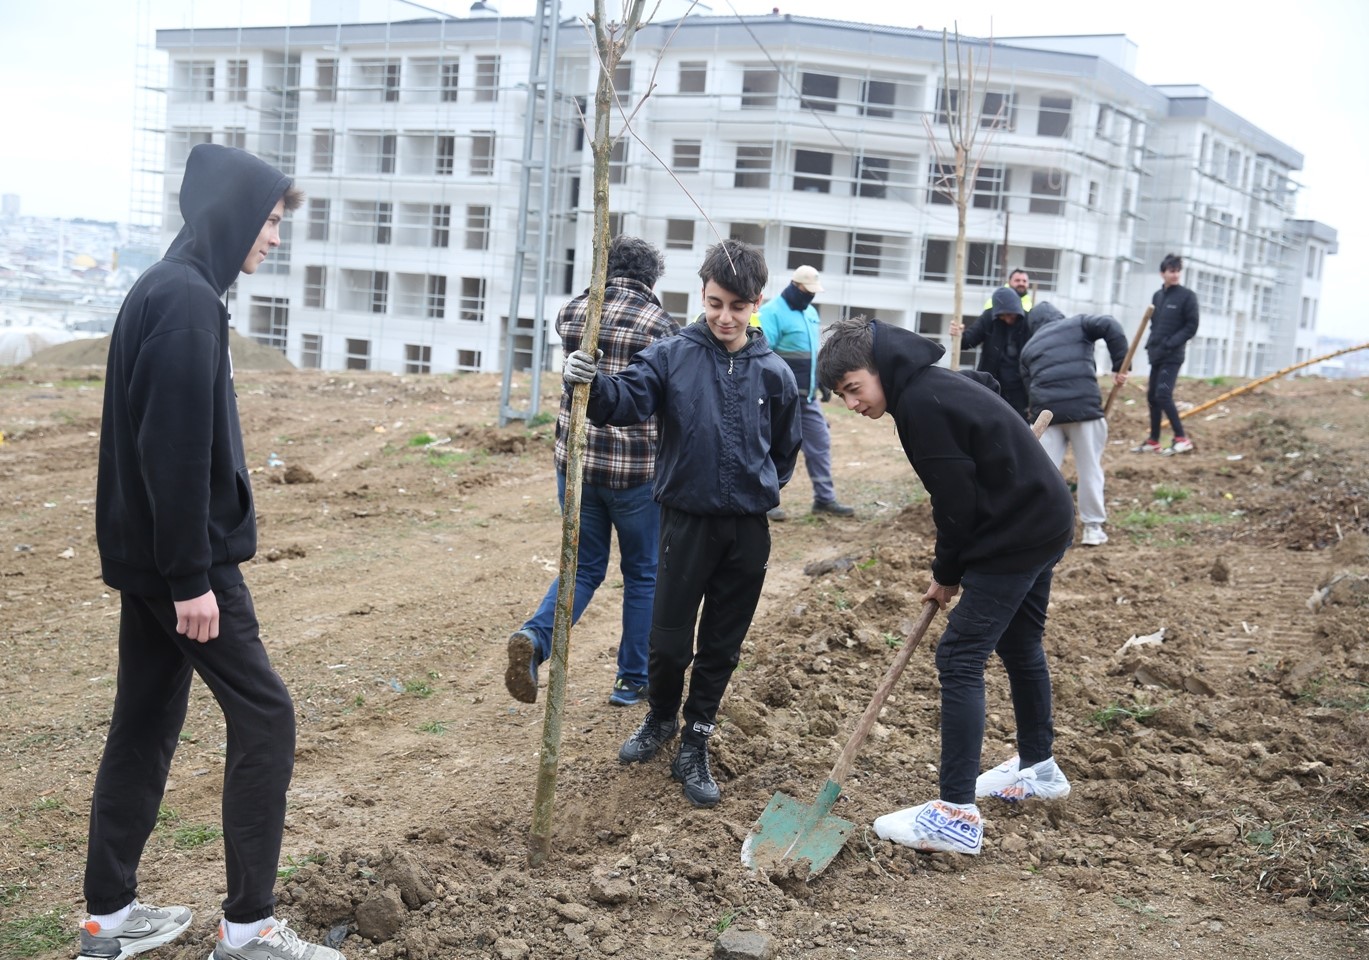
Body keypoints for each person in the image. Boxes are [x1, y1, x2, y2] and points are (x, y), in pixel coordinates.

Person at [81, 144, 342, 960]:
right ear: (230, 214)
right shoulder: (188, 303)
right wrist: (192, 578)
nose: (272, 238)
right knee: (266, 717)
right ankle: (249, 930)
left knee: (146, 723)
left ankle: (108, 922)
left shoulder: (164, 288)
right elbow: (172, 452)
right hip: (182, 569)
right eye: (266, 221)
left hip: (149, 561)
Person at [816, 315, 1075, 855]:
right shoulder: (937, 383)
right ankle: (1040, 769)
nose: (853, 405)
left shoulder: (920, 409)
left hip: (1016, 535)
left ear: (880, 369)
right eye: (842, 396)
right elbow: (990, 387)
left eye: (853, 389)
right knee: (1021, 643)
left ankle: (955, 815)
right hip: (1045, 518)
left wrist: (947, 574)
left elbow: (955, 507)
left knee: (959, 657)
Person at [561, 239, 802, 808]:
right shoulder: (671, 355)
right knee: (668, 644)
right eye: (716, 302)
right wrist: (587, 382)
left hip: (746, 532)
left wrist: (757, 491)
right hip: (683, 523)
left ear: (757, 304)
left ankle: (697, 739)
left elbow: (785, 453)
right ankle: (662, 718)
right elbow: (624, 401)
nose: (725, 316)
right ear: (702, 295)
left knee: (722, 644)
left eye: (738, 306)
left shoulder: (775, 373)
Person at [505, 236, 680, 708]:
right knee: (643, 574)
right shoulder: (662, 326)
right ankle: (630, 680)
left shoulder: (572, 313)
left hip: (577, 465)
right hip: (636, 473)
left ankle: (535, 639)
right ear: (652, 278)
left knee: (582, 566)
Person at [1019, 302, 1129, 547]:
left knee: (1043, 472)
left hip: (1047, 415)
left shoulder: (1029, 347)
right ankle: (1092, 528)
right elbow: (1110, 324)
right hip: (1084, 409)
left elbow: (1028, 387)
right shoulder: (1078, 323)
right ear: (1058, 315)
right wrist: (1120, 364)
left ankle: (1038, 527)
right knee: (1090, 469)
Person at [757, 265, 854, 520]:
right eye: (807, 291)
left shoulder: (810, 312)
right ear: (795, 286)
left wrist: (820, 379)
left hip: (806, 397)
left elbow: (812, 353)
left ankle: (824, 499)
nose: (811, 296)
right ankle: (765, 501)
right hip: (780, 399)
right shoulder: (773, 312)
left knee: (820, 442)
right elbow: (764, 355)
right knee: (773, 448)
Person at [1135, 253, 1200, 455]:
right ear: (1162, 273)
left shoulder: (1187, 296)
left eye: (1178, 271)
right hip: (1157, 354)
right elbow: (1156, 324)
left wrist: (1171, 343)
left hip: (1173, 355)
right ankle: (1154, 441)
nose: (1175, 275)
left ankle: (1182, 438)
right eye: (1172, 271)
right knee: (1152, 397)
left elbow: (1192, 326)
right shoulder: (1158, 296)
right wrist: (1153, 345)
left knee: (1163, 394)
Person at [950, 287, 1031, 420]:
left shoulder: (1027, 322)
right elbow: (967, 342)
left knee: (1018, 426)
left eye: (1011, 314)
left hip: (1019, 390)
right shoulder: (988, 318)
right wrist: (958, 335)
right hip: (991, 384)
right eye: (1003, 315)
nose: (1007, 319)